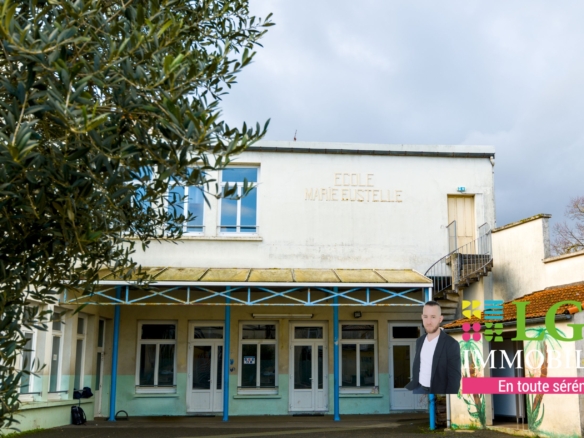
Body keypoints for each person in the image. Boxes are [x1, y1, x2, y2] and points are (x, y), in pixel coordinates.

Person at [405, 300, 461, 394]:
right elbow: (418, 365)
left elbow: (454, 379)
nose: (428, 322)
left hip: (438, 392)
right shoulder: (419, 341)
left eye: (433, 317)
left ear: (440, 319)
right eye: (425, 317)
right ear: (422, 317)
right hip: (418, 389)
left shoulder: (451, 344)